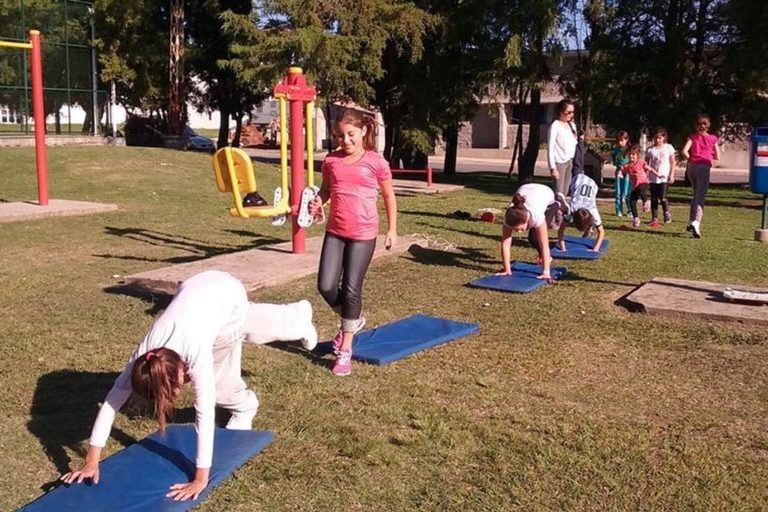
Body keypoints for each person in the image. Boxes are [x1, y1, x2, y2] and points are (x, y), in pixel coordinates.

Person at [60, 270, 318, 501]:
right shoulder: (143, 357)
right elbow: (111, 402)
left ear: (182, 371)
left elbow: (203, 414)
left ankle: (245, 406)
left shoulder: (196, 353)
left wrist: (200, 479)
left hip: (227, 294)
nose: (175, 395)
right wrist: (91, 461)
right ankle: (296, 317)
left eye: (172, 390)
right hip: (200, 286)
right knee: (246, 325)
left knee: (221, 374)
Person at [308, 108, 397, 377]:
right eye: (340, 135)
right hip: (335, 231)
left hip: (364, 233)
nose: (345, 140)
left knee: (350, 289)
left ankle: (345, 350)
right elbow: (326, 190)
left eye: (350, 134)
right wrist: (317, 202)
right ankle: (352, 320)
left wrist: (392, 229)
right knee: (325, 285)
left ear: (363, 132)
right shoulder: (331, 161)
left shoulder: (376, 161)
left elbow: (389, 196)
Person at [499, 183, 565, 281]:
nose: (520, 232)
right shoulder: (508, 217)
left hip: (545, 192)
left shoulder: (537, 215)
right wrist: (507, 269)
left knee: (534, 237)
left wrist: (546, 272)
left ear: (527, 220)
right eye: (516, 230)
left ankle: (559, 203)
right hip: (526, 188)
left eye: (521, 229)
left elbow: (544, 246)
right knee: (532, 237)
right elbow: (505, 243)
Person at [681, 114, 720, 238]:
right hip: (704, 167)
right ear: (708, 126)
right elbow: (718, 156)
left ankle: (690, 220)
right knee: (700, 196)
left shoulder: (693, 137)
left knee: (695, 194)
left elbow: (684, 151)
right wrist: (708, 155)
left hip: (692, 167)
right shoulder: (713, 138)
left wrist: (692, 158)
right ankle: (696, 222)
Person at [556, 174, 606, 252]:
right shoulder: (571, 208)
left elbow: (602, 232)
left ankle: (590, 227)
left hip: (592, 184)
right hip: (577, 180)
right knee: (573, 198)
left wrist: (595, 250)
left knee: (589, 202)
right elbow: (561, 230)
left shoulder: (592, 210)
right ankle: (589, 227)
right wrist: (563, 249)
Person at [645, 127, 676, 227]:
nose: (657, 140)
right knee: (654, 198)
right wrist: (645, 175)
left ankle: (666, 213)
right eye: (655, 138)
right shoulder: (650, 150)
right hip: (653, 178)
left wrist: (671, 174)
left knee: (662, 198)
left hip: (664, 177)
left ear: (664, 138)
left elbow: (673, 162)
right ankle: (654, 218)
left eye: (659, 138)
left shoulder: (668, 148)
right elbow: (646, 163)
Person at [547, 99, 578, 197]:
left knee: (565, 193)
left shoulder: (571, 125)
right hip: (559, 163)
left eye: (572, 112)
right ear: (561, 112)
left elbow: (573, 143)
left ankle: (562, 212)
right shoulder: (555, 126)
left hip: (570, 161)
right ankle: (556, 211)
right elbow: (550, 148)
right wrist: (553, 168)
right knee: (558, 193)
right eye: (568, 112)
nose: (571, 114)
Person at [619, 145, 653, 228]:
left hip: (644, 183)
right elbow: (622, 172)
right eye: (630, 154)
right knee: (632, 201)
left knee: (642, 190)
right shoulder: (627, 165)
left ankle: (646, 201)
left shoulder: (641, 162)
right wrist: (620, 174)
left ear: (637, 155)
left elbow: (649, 168)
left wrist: (657, 174)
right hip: (635, 186)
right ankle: (636, 218)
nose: (631, 156)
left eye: (633, 155)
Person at [611, 131, 631, 217]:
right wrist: (618, 166)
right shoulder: (616, 150)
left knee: (626, 192)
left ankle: (630, 210)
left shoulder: (629, 150)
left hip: (627, 173)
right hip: (618, 172)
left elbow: (632, 161)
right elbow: (614, 159)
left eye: (622, 140)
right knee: (618, 192)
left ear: (626, 140)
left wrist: (627, 167)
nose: (620, 142)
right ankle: (619, 210)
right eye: (619, 140)